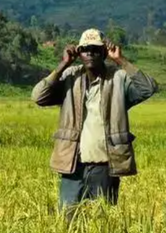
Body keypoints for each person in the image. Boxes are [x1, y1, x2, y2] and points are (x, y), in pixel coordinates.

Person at [32, 28, 158, 221]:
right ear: (79, 53)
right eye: (85, 49)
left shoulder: (118, 79)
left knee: (102, 224)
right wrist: (63, 64)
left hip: (105, 166)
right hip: (73, 166)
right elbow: (38, 97)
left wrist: (120, 60)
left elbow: (148, 87)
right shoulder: (70, 77)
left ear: (104, 53)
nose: (90, 53)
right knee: (68, 222)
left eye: (95, 49)